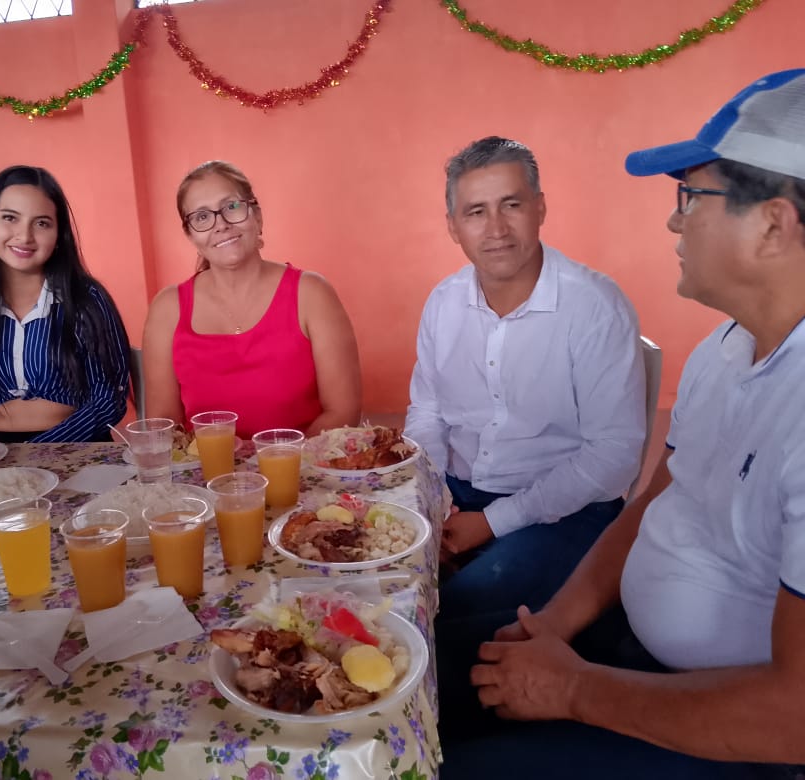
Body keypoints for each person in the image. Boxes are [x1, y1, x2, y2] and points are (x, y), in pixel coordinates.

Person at [442, 69, 805, 779]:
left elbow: (794, 718)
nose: (675, 221)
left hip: (733, 733)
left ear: (773, 224)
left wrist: (573, 690)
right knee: (407, 676)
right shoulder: (724, 349)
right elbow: (651, 505)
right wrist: (553, 628)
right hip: (626, 647)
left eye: (691, 196)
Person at [405, 136, 646, 624]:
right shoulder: (444, 302)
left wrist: (491, 523)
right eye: (476, 212)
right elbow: (427, 414)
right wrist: (435, 504)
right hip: (458, 497)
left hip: (567, 509)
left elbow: (613, 455)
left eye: (511, 205)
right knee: (373, 574)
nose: (496, 229)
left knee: (449, 611)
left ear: (540, 208)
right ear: (453, 226)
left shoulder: (594, 306)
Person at [141, 160, 361, 440]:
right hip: (203, 467)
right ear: (190, 234)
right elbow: (163, 425)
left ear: (257, 216)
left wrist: (274, 457)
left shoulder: (312, 293)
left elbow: (343, 412)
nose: (221, 225)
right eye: (202, 217)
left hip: (303, 464)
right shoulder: (167, 309)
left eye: (232, 206)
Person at [0, 166, 130, 443]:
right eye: (10, 218)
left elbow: (110, 399)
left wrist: (37, 451)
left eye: (42, 223)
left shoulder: (86, 301)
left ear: (59, 235)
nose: (24, 236)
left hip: (78, 446)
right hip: (0, 452)